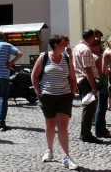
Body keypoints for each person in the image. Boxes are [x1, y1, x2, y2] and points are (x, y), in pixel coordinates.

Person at [31, 34, 78, 170]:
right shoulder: (44, 57)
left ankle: (66, 157)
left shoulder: (67, 58)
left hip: (64, 96)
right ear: (56, 45)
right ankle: (49, 150)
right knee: (50, 123)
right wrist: (38, 93)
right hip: (48, 96)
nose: (66, 45)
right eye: (64, 43)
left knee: (62, 125)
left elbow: (73, 78)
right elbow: (34, 76)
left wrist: (72, 94)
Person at [0, 30, 23, 130]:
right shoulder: (7, 46)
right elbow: (20, 53)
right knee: (4, 99)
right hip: (4, 75)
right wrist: (11, 62)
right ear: (3, 38)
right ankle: (1, 122)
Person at [73, 29, 101, 143]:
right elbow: (88, 69)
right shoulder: (85, 50)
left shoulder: (77, 47)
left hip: (80, 80)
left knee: (87, 106)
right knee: (89, 108)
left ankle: (85, 133)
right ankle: (85, 134)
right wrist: (93, 87)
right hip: (86, 81)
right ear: (90, 38)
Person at [91, 38, 111, 138]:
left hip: (99, 83)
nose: (101, 47)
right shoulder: (96, 58)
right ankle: (100, 129)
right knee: (101, 107)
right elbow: (104, 70)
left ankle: (102, 128)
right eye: (99, 45)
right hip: (102, 84)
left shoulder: (94, 56)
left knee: (101, 106)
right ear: (94, 46)